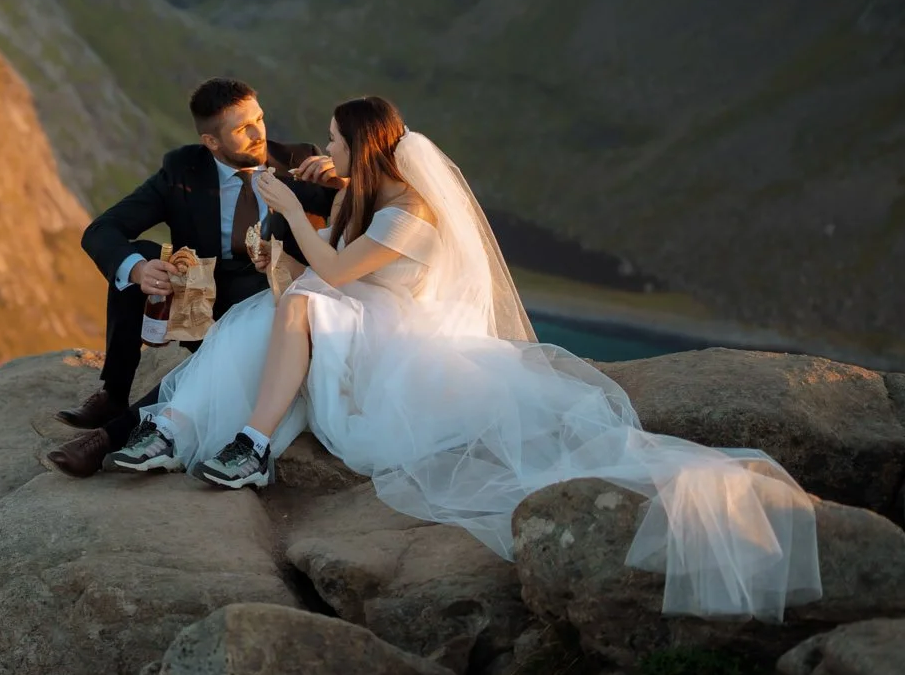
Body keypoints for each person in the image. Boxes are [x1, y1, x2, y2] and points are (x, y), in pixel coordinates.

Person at [107, 95, 823, 622]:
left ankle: (251, 443)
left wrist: (293, 214)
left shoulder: (409, 215)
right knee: (261, 315)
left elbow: (332, 268)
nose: (326, 148)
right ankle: (186, 428)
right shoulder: (371, 190)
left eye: (336, 140)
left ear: (367, 146)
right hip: (366, 318)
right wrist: (330, 184)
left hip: (399, 344)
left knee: (296, 305)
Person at [43, 77, 338, 478]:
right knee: (139, 257)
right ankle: (114, 390)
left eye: (259, 119)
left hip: (264, 302)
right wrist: (139, 270)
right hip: (198, 300)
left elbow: (362, 223)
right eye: (241, 128)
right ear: (211, 142)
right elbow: (102, 230)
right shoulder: (182, 170)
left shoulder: (299, 162)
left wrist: (343, 184)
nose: (258, 134)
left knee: (216, 357)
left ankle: (108, 439)